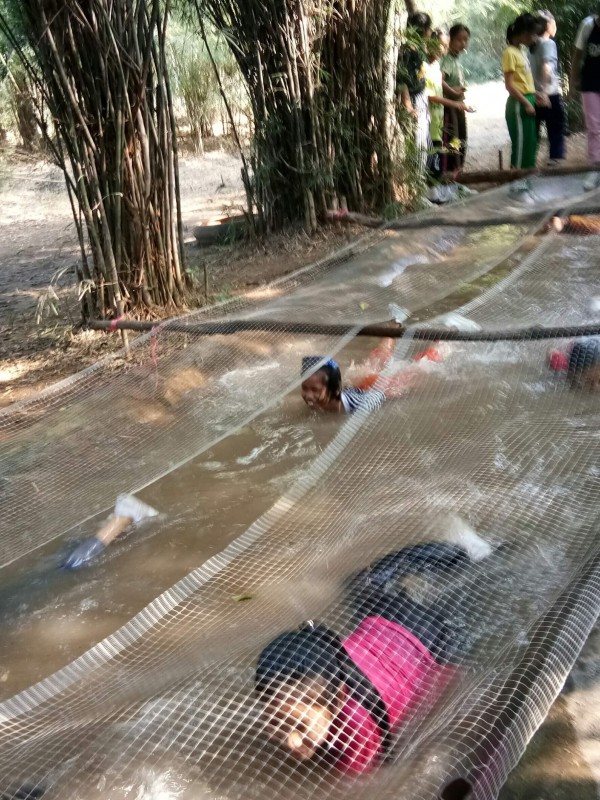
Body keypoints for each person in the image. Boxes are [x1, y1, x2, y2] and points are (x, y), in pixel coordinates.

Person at [255, 524, 494, 772]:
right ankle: (464, 550)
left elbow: (356, 787)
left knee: (460, 624)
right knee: (362, 582)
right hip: (385, 622)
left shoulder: (356, 734)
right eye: (276, 722)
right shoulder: (326, 661)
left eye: (300, 727)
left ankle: (466, 552)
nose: (291, 741)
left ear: (339, 699)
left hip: (430, 641)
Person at [300, 336, 447, 414]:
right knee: (379, 357)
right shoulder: (316, 403)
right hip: (361, 385)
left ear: (333, 389)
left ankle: (443, 341)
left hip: (379, 388)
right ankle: (395, 322)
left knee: (421, 367)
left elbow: (380, 395)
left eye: (314, 390)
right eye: (305, 388)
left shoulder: (357, 406)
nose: (308, 395)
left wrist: (398, 390)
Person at [423, 32, 474, 201]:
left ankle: (453, 184)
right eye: (442, 45)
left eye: (445, 46)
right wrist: (453, 97)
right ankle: (439, 188)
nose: (443, 49)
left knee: (457, 143)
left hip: (447, 110)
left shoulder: (438, 64)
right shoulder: (428, 66)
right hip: (442, 112)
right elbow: (431, 94)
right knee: (448, 147)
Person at [502, 14, 545, 194]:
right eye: (532, 34)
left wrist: (536, 94)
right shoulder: (510, 53)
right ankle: (517, 180)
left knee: (530, 142)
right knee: (520, 143)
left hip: (528, 100)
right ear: (523, 33)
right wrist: (526, 103)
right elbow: (509, 85)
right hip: (518, 104)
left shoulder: (520, 52)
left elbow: (525, 82)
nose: (534, 38)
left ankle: (526, 177)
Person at [396, 12, 434, 174]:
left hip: (421, 96)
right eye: (429, 28)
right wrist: (408, 106)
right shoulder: (407, 50)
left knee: (424, 142)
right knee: (418, 143)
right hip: (413, 98)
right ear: (422, 30)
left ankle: (421, 179)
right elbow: (402, 79)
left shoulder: (418, 48)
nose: (431, 32)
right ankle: (417, 181)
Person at [529, 11, 566, 166]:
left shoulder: (532, 46)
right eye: (554, 24)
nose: (555, 27)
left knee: (534, 131)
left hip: (533, 94)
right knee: (556, 127)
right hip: (548, 94)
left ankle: (529, 160)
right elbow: (547, 66)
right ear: (549, 26)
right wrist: (544, 91)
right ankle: (555, 159)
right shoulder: (548, 43)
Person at [571, 8, 600, 190]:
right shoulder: (588, 26)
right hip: (590, 83)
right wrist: (572, 83)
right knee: (594, 127)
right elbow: (577, 56)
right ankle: (595, 167)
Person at [441, 23, 471, 174]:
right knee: (454, 141)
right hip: (450, 108)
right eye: (459, 39)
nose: (463, 43)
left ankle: (458, 172)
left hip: (459, 106)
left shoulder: (455, 59)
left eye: (466, 40)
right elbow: (439, 80)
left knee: (461, 140)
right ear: (450, 40)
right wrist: (452, 91)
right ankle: (453, 174)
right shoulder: (447, 59)